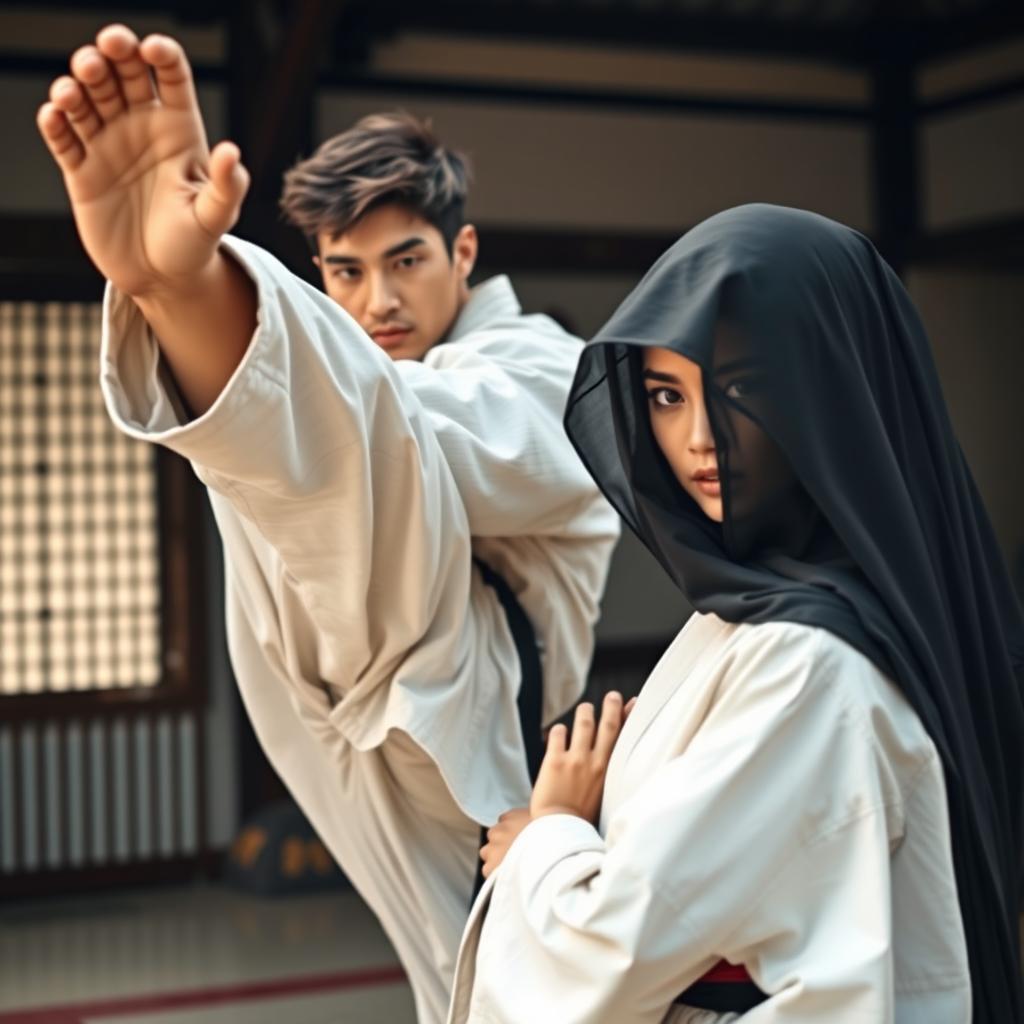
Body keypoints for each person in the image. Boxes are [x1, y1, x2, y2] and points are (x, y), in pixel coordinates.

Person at [35, 25, 619, 1024]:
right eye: (341, 273)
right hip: (334, 714)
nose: (377, 301)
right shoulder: (368, 391)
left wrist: (192, 295)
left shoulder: (545, 367)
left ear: (463, 251)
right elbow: (343, 426)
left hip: (466, 723)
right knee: (465, 992)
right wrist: (178, 300)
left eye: (405, 261)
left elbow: (394, 442)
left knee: (522, 984)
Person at [448, 204, 1024, 1022]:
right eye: (665, 394)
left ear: (833, 390)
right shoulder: (765, 611)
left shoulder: (810, 660)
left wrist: (546, 838)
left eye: (743, 388)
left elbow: (616, 956)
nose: (699, 438)